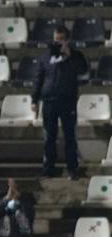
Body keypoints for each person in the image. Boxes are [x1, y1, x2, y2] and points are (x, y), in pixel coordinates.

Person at [33, 25, 89, 179]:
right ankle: (48, 168)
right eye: (56, 39)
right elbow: (38, 79)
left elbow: (83, 70)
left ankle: (72, 169)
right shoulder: (45, 57)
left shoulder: (76, 55)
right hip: (49, 102)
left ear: (67, 40)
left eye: (61, 39)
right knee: (49, 137)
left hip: (67, 101)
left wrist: (69, 55)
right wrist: (34, 99)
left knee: (69, 136)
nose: (58, 42)